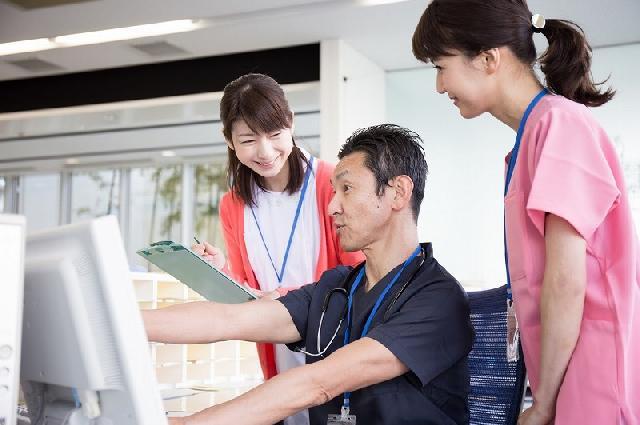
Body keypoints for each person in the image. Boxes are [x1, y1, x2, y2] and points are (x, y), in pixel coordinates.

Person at [144, 124, 474, 425]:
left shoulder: (437, 298)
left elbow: (317, 383)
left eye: (347, 189)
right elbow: (228, 319)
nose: (332, 206)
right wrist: (123, 321)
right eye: (334, 191)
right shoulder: (335, 288)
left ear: (398, 192)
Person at [412, 1, 640, 424]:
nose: (440, 86)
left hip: (595, 375)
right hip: (571, 371)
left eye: (441, 67)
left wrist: (545, 400)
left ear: (487, 58)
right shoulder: (532, 136)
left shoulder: (559, 125)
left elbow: (567, 280)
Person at [192, 73, 363, 425]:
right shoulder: (234, 204)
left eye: (275, 134)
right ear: (229, 141)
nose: (266, 152)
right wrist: (220, 270)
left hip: (336, 351)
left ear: (292, 123)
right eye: (249, 139)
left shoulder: (331, 183)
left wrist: (285, 296)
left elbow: (361, 276)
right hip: (278, 354)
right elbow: (246, 292)